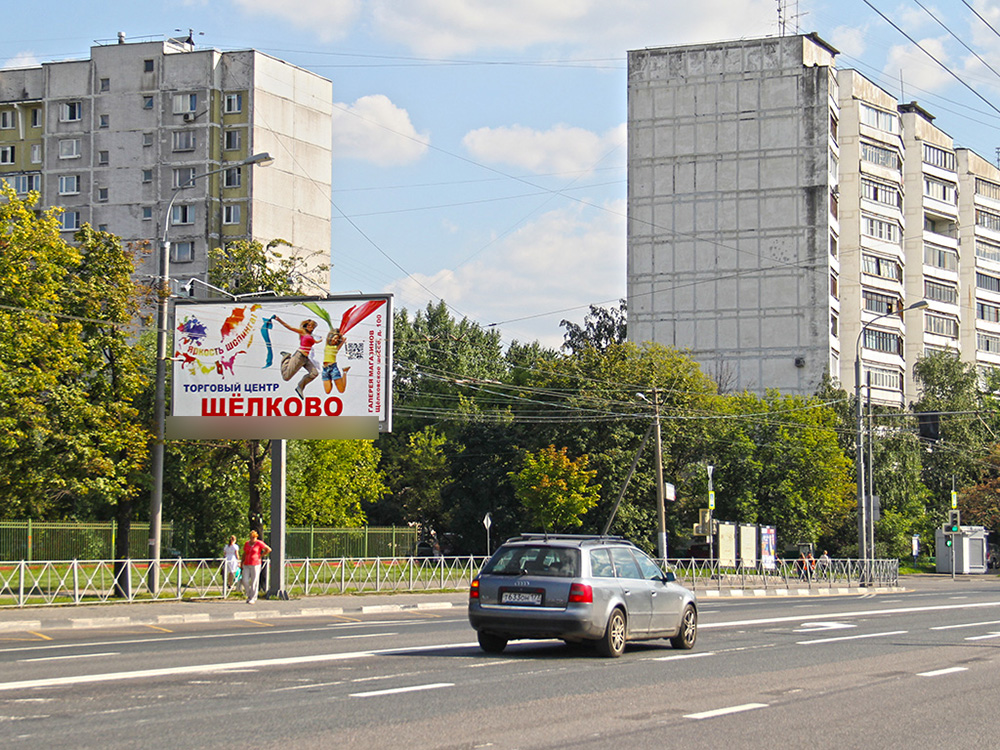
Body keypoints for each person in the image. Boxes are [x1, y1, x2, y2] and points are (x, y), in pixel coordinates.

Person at [274, 316, 319, 398]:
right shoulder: (302, 332)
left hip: (306, 359)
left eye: (313, 327)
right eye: (310, 326)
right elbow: (290, 327)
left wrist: (319, 341)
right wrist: (279, 320)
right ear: (306, 326)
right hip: (299, 356)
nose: (311, 328)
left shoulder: (310, 336)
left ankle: (300, 387)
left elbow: (313, 342)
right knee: (286, 377)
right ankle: (286, 357)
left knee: (314, 374)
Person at [241, 530, 271, 604]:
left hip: (255, 563)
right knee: (245, 580)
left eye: (254, 537)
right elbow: (244, 553)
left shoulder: (259, 543)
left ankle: (253, 597)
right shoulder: (247, 543)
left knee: (254, 581)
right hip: (246, 563)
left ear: (256, 537)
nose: (252, 539)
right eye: (251, 537)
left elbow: (268, 549)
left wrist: (261, 555)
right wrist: (242, 562)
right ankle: (249, 594)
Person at [322, 328, 351, 394]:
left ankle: (345, 372)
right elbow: (329, 335)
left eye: (337, 340)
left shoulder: (336, 348)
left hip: (333, 368)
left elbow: (343, 339)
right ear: (331, 337)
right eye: (334, 338)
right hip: (325, 369)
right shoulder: (327, 345)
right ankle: (331, 380)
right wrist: (337, 333)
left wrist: (341, 336)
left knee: (341, 390)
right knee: (327, 391)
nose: (335, 340)